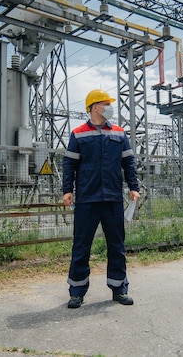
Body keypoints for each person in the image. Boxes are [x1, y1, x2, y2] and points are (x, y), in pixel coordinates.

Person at [62, 89, 140, 309]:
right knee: (81, 246)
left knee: (117, 246)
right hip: (87, 199)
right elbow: (69, 164)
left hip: (113, 199)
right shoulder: (78, 133)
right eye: (106, 104)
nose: (109, 108)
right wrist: (67, 190)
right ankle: (77, 292)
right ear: (95, 107)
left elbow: (129, 164)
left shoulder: (119, 133)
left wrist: (134, 187)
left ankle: (119, 289)